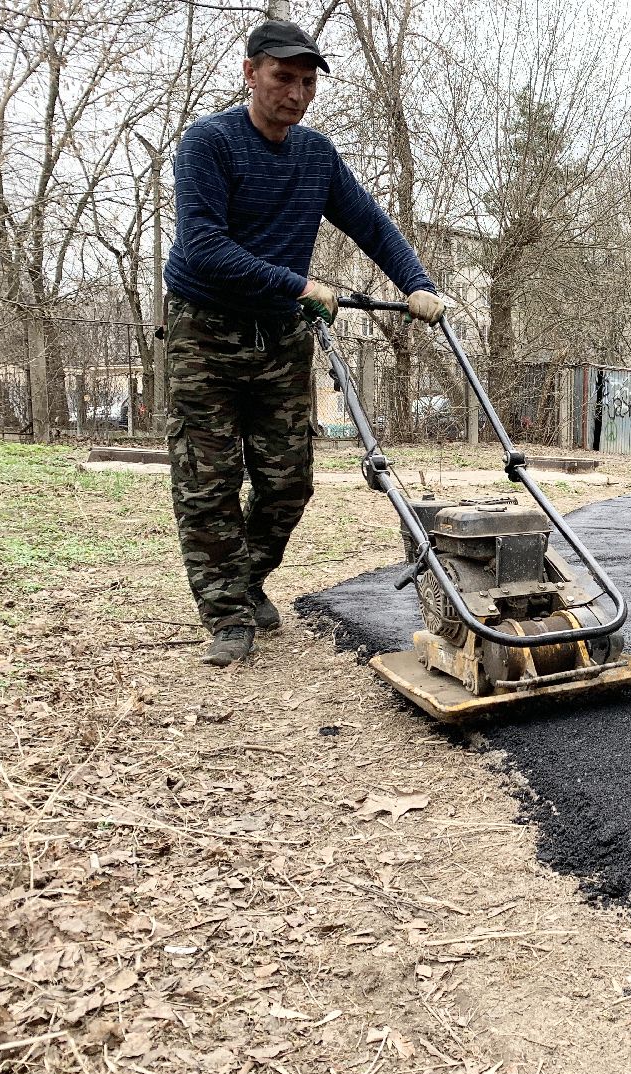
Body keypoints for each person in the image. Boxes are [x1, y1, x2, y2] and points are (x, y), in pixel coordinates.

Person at [163, 19, 445, 667]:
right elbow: (204, 247)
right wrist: (298, 283)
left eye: (306, 81)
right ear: (250, 73)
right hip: (203, 331)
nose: (294, 92)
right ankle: (230, 616)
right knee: (208, 481)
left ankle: (243, 578)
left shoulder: (315, 156)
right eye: (282, 77)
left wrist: (417, 286)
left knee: (288, 483)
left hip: (281, 335)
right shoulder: (209, 144)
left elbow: (370, 223)